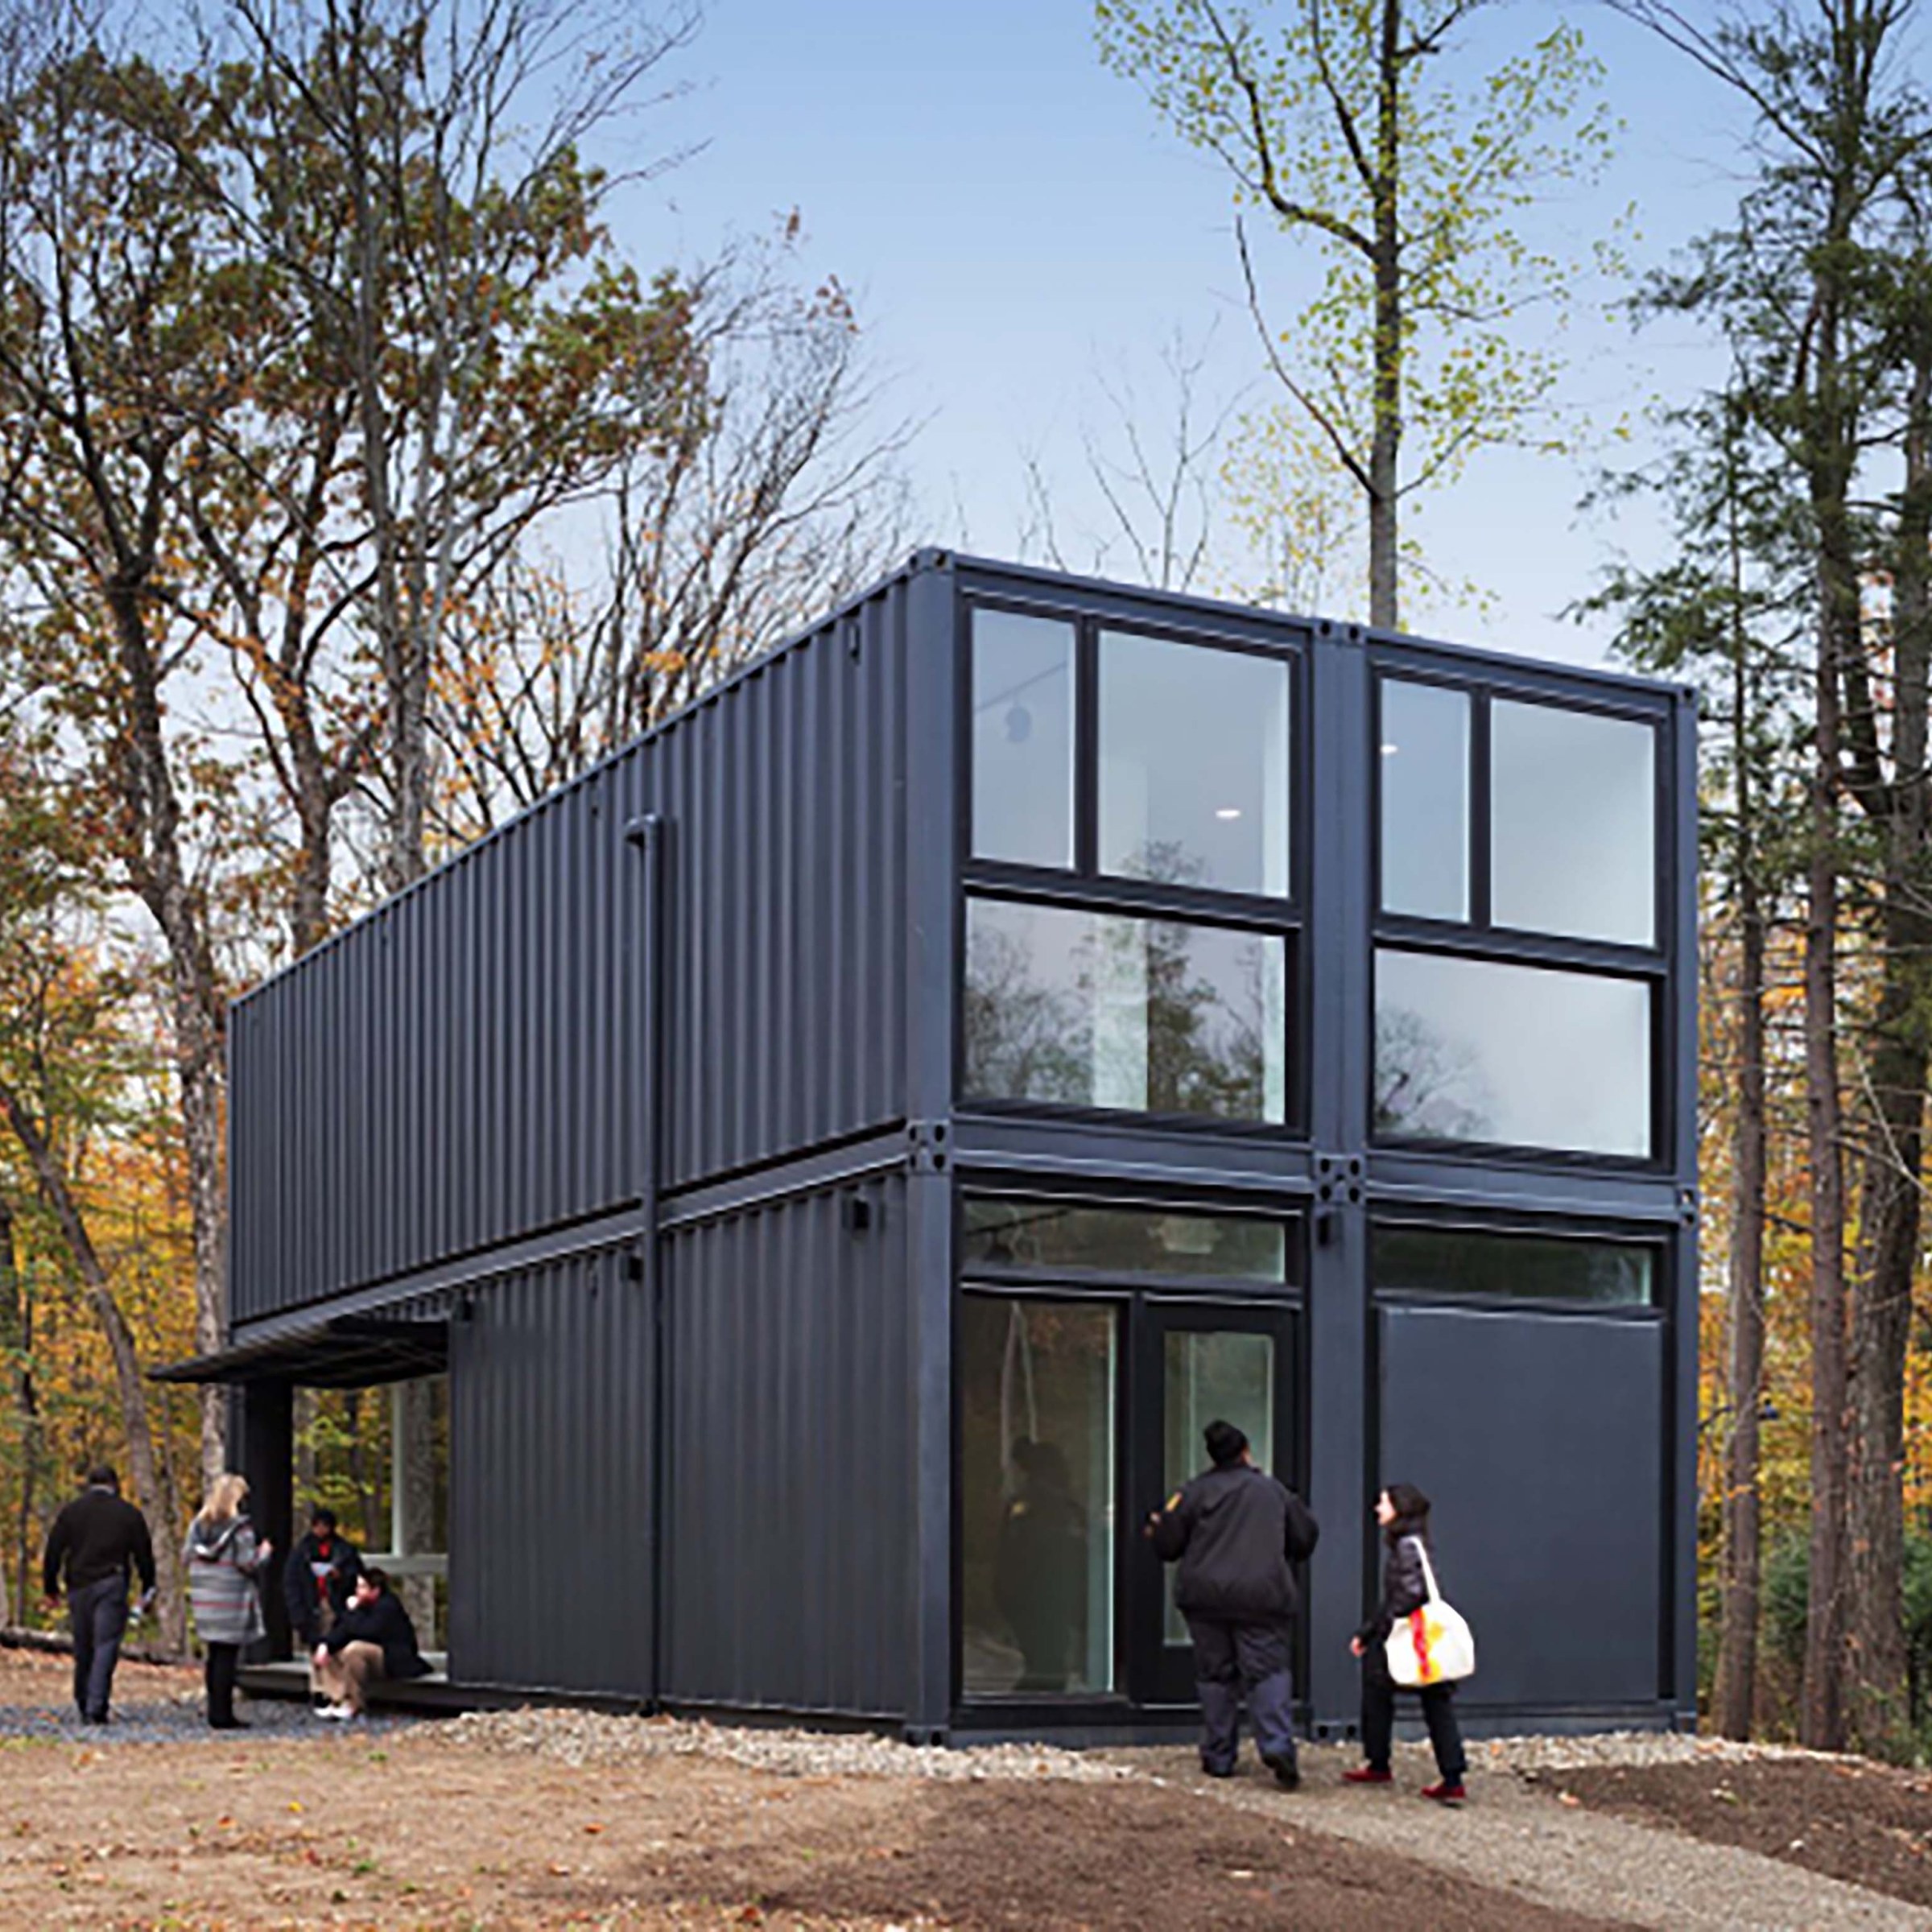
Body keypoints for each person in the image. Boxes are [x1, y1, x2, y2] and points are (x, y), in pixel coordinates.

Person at [1147, 1418, 1319, 1788]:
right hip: (1262, 1596)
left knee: (1215, 1675)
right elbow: (1305, 1538)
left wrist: (1159, 1527)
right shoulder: (1273, 1492)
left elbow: (1167, 1546)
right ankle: (1276, 1744)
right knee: (1267, 1672)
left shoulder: (1193, 1493)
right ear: (1246, 1452)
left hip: (1205, 1597)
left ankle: (1219, 1755)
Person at [1344, 1481, 1468, 1804]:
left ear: (1398, 1509)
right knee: (1435, 1699)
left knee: (1379, 1689)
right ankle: (1452, 1775)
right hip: (1426, 1639)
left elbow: (1407, 1596)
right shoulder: (1417, 1543)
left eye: (1383, 1503)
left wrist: (1374, 1631)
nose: (1377, 1509)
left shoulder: (1406, 1547)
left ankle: (1379, 1762)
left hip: (1411, 1638)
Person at [40, 1463, 157, 1725]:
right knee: (106, 1644)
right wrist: (147, 1588)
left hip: (79, 1585)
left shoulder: (71, 1513)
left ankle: (82, 1700)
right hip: (111, 1582)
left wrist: (51, 1588)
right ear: (115, 1485)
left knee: (83, 1645)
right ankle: (97, 1704)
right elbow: (143, 1555)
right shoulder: (128, 1514)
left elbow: (54, 1550)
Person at [993, 1438, 1088, 1691]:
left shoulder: (1041, 1504)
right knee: (1047, 1656)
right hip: (1037, 1590)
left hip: (1042, 1589)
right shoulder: (1050, 1505)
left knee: (1046, 1657)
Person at [184, 1472, 274, 1730]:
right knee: (227, 1657)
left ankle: (215, 1708)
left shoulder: (198, 1527)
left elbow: (188, 1556)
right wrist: (264, 1554)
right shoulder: (240, 1530)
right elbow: (247, 1564)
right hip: (230, 1599)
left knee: (214, 1656)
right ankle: (223, 1714)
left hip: (206, 1600)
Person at [313, 1567, 429, 1719]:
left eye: (362, 1587)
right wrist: (326, 1645)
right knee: (328, 1650)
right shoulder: (361, 1607)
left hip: (391, 1657)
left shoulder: (388, 1606)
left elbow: (367, 1631)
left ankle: (353, 1703)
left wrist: (352, 1613)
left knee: (355, 1650)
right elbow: (341, 1630)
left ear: (375, 1590)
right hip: (370, 1654)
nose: (357, 1591)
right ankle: (335, 1698)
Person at [282, 1505, 364, 1662]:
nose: (321, 1530)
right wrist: (297, 1614)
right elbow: (292, 1583)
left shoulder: (344, 1550)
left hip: (335, 1602)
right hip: (311, 1602)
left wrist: (340, 1576)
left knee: (335, 1646)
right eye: (317, 1526)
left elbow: (356, 1576)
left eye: (324, 1526)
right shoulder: (302, 1551)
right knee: (316, 1645)